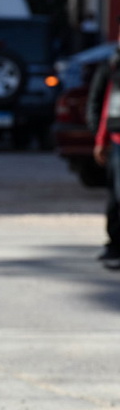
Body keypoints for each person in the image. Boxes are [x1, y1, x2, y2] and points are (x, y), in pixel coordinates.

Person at [88, 27, 120, 269]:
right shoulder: (112, 67)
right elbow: (104, 106)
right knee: (116, 197)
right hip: (117, 141)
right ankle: (115, 245)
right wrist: (101, 140)